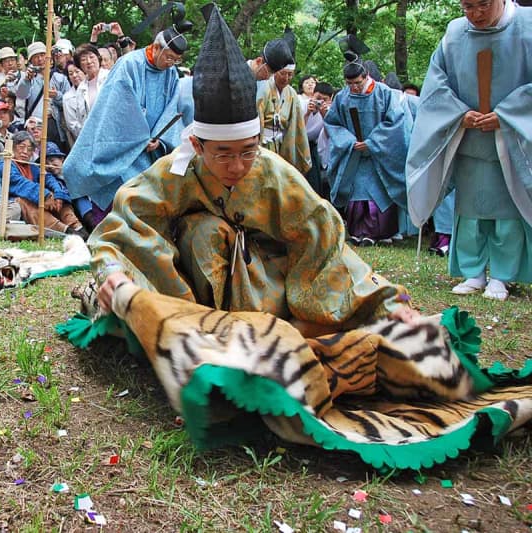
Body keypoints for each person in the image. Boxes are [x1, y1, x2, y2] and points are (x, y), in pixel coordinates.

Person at [92, 4, 418, 333]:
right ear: (198, 146)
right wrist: (115, 274)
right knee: (204, 233)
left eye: (248, 151)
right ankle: (194, 319)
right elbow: (124, 226)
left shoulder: (273, 172)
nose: (237, 166)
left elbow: (324, 238)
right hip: (190, 278)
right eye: (223, 154)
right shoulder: (177, 169)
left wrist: (385, 300)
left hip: (264, 275)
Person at [406, 0, 531, 301]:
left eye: (483, 5)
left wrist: (509, 115)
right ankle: (473, 272)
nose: (475, 14)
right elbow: (435, 85)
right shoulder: (454, 34)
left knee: (507, 214)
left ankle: (502, 276)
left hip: (514, 141)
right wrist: (458, 113)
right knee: (471, 210)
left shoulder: (528, 27)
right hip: (470, 137)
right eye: (467, 7)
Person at [62, 26, 187, 228]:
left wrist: (160, 139)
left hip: (151, 151)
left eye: (176, 59)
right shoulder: (128, 64)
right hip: (122, 146)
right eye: (169, 57)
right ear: (156, 48)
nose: (171, 63)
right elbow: (116, 109)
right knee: (116, 198)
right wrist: (139, 138)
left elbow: (172, 108)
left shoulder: (171, 73)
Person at [324, 54, 409, 246]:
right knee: (357, 193)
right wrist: (349, 141)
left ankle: (380, 233)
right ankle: (357, 231)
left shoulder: (384, 93)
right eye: (349, 83)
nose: (353, 87)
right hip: (353, 153)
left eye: (357, 82)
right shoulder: (342, 97)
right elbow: (333, 123)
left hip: (380, 155)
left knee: (377, 192)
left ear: (366, 76)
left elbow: (395, 122)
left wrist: (373, 142)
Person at [0, 131, 86, 238]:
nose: (25, 151)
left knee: (57, 197)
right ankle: (65, 232)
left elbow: (48, 178)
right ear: (13, 147)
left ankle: (78, 228)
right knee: (23, 201)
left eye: (30, 149)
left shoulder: (33, 167)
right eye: (21, 147)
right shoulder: (5, 164)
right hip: (13, 204)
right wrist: (44, 195)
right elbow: (20, 183)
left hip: (37, 199)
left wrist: (57, 193)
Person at [16, 41, 71, 151]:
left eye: (42, 55)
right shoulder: (28, 78)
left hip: (55, 125)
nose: (40, 59)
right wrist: (26, 80)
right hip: (35, 126)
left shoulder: (60, 78)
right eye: (36, 57)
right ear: (31, 60)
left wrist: (57, 95)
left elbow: (69, 102)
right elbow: (21, 96)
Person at [257, 62, 311, 173]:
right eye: (283, 73)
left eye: (290, 74)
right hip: (264, 143)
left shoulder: (291, 93)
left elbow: (297, 123)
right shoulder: (263, 88)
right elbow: (257, 117)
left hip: (283, 144)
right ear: (275, 72)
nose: (286, 78)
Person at [303, 81, 333, 198]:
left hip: (314, 149)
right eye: (318, 98)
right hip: (301, 146)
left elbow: (331, 133)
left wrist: (325, 115)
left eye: (324, 99)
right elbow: (296, 130)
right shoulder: (302, 104)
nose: (320, 102)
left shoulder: (330, 111)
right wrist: (307, 114)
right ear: (312, 95)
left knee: (316, 184)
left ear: (330, 99)